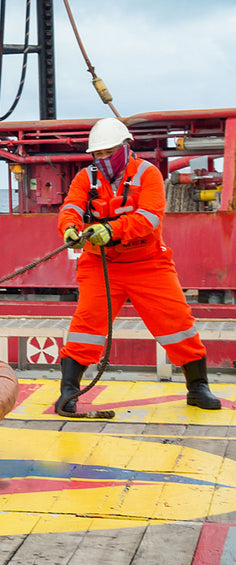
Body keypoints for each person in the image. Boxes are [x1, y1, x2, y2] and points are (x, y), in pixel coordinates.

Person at [57, 117, 221, 413]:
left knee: (177, 323)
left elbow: (150, 217)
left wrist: (112, 230)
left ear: (125, 147)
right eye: (99, 154)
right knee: (87, 325)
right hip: (100, 264)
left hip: (148, 263)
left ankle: (198, 388)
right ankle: (68, 392)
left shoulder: (149, 174)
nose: (104, 159)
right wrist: (69, 227)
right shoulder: (85, 178)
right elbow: (72, 206)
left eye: (109, 152)